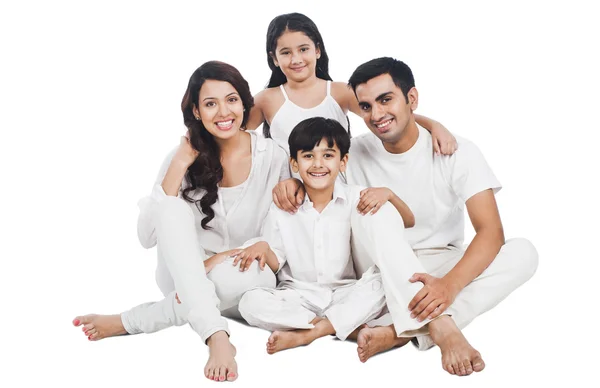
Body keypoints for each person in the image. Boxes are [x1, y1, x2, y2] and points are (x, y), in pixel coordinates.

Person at [274, 57, 539, 376]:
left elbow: (490, 232)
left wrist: (449, 286)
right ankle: (440, 327)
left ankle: (400, 332)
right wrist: (293, 181)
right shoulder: (352, 153)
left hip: (440, 263)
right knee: (376, 203)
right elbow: (312, 158)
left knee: (524, 253)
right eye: (366, 106)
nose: (377, 114)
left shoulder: (456, 151)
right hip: (374, 265)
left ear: (411, 99)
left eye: (386, 100)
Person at [73, 61, 291, 382]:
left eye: (231, 100)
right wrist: (178, 165)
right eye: (210, 103)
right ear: (197, 112)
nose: (223, 112)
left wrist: (220, 259)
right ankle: (217, 334)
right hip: (184, 273)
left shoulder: (273, 156)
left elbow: (283, 233)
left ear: (244, 103)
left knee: (240, 282)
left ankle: (133, 321)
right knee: (171, 209)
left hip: (245, 273)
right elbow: (147, 236)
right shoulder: (182, 157)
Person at [236, 117, 421, 354]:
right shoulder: (283, 207)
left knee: (383, 281)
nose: (318, 164)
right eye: (308, 156)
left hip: (346, 291)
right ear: (294, 163)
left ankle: (312, 332)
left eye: (328, 155)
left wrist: (390, 195)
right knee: (249, 303)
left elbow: (408, 221)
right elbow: (276, 258)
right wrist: (263, 247)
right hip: (298, 295)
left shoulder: (356, 197)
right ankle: (343, 325)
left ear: (343, 162)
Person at [246, 12, 457, 157]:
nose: (296, 59)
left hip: (338, 192)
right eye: (286, 53)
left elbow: (383, 116)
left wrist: (435, 126)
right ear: (274, 58)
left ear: (317, 50)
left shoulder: (339, 92)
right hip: (289, 199)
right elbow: (235, 137)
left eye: (303, 49)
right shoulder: (267, 99)